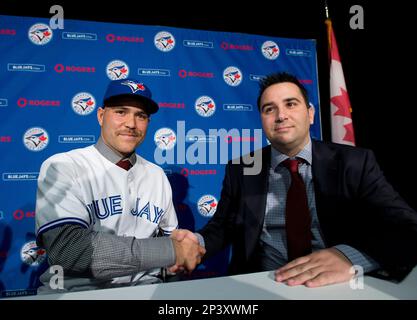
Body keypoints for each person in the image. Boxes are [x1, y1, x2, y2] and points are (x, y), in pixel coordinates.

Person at [172, 72, 417, 287]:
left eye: (291, 104)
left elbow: (406, 227)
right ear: (262, 119)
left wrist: (349, 257)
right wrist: (197, 241)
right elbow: (223, 227)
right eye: (270, 109)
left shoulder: (354, 163)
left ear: (310, 114)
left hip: (336, 285)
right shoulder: (242, 167)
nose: (281, 115)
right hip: (263, 283)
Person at [35, 78, 205, 293]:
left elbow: (170, 247)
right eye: (121, 112)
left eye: (141, 116)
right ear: (100, 115)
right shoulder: (64, 166)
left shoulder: (156, 175)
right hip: (77, 293)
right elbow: (70, 251)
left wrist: (186, 248)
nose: (131, 124)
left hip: (147, 292)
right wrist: (173, 250)